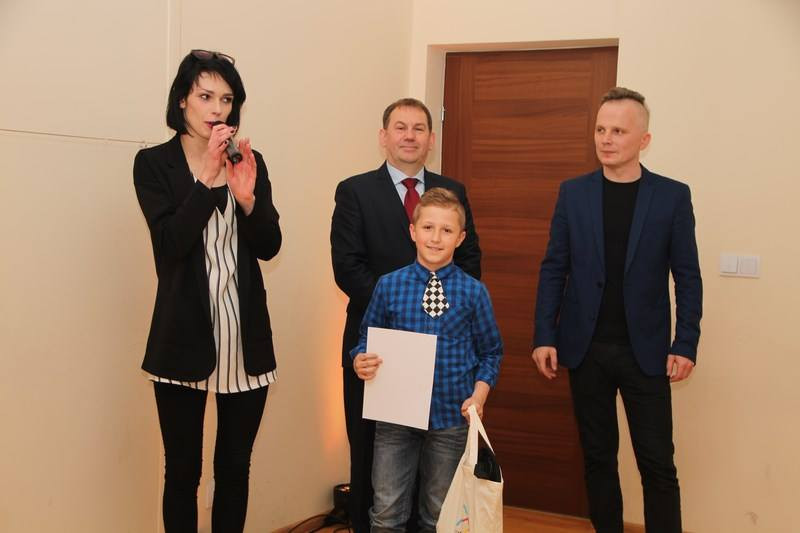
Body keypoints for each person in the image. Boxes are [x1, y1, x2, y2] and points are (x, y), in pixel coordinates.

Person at [531, 87, 702, 533]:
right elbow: (554, 267)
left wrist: (685, 343)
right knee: (598, 458)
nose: (606, 139)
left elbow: (687, 276)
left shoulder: (671, 197)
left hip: (647, 353)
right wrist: (545, 335)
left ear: (644, 140)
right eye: (601, 129)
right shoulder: (573, 193)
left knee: (657, 464)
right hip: (585, 350)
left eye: (619, 131)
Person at [133, 49, 281, 532]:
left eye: (227, 99)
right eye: (205, 96)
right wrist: (207, 181)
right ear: (182, 100)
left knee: (235, 470)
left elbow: (270, 246)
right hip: (182, 338)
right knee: (182, 473)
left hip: (244, 339)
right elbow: (170, 245)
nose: (218, 109)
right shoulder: (154, 164)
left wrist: (248, 199)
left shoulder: (250, 161)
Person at [330, 98, 482, 532]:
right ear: (384, 136)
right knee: (372, 456)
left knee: (437, 465)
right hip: (376, 350)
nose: (409, 136)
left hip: (444, 351)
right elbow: (347, 266)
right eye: (400, 127)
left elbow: (471, 261)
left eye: (419, 128)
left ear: (431, 139)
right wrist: (403, 309)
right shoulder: (355, 191)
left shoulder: (453, 191)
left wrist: (436, 313)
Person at [352, 188, 502, 532]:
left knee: (439, 514)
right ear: (413, 231)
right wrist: (361, 359)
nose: (436, 238)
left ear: (460, 238)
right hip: (395, 418)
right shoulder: (388, 286)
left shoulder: (474, 292)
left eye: (447, 230)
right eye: (428, 228)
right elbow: (366, 339)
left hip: (450, 418)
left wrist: (479, 396)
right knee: (386, 512)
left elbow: (491, 352)